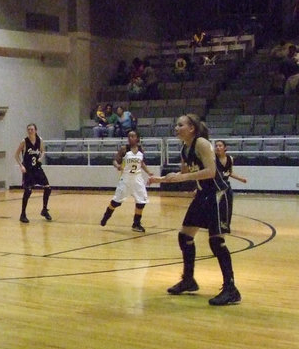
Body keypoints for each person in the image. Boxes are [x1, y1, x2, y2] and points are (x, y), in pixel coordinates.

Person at [148, 114, 241, 306]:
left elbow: (211, 172)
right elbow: (185, 174)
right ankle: (189, 280)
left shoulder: (202, 143)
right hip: (203, 194)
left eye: (180, 124)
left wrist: (182, 178)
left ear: (191, 128)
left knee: (216, 242)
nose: (176, 127)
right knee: (185, 236)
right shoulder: (185, 148)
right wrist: (162, 179)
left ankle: (231, 289)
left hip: (218, 193)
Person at [100, 130, 152, 232]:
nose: (130, 138)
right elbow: (115, 160)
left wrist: (149, 172)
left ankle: (136, 224)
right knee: (116, 202)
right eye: (129, 136)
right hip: (126, 179)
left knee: (142, 201)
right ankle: (106, 216)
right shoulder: (124, 149)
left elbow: (141, 163)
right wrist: (118, 166)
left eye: (133, 136)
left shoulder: (141, 149)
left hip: (137, 179)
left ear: (137, 138)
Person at [14, 123, 53, 222]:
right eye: (28, 130)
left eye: (32, 129)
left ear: (36, 130)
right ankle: (23, 214)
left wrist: (41, 158)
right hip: (28, 170)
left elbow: (43, 151)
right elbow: (16, 155)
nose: (30, 131)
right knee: (28, 191)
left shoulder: (40, 140)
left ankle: (44, 209)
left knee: (48, 188)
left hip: (37, 169)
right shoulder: (24, 141)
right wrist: (21, 165)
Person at [214, 140, 248, 234]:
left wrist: (241, 179)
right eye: (216, 146)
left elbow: (229, 172)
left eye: (220, 146)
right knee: (216, 207)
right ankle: (214, 225)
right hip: (215, 185)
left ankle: (225, 225)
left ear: (225, 148)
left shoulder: (230, 159)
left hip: (225, 185)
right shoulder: (212, 159)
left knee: (227, 206)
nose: (218, 147)